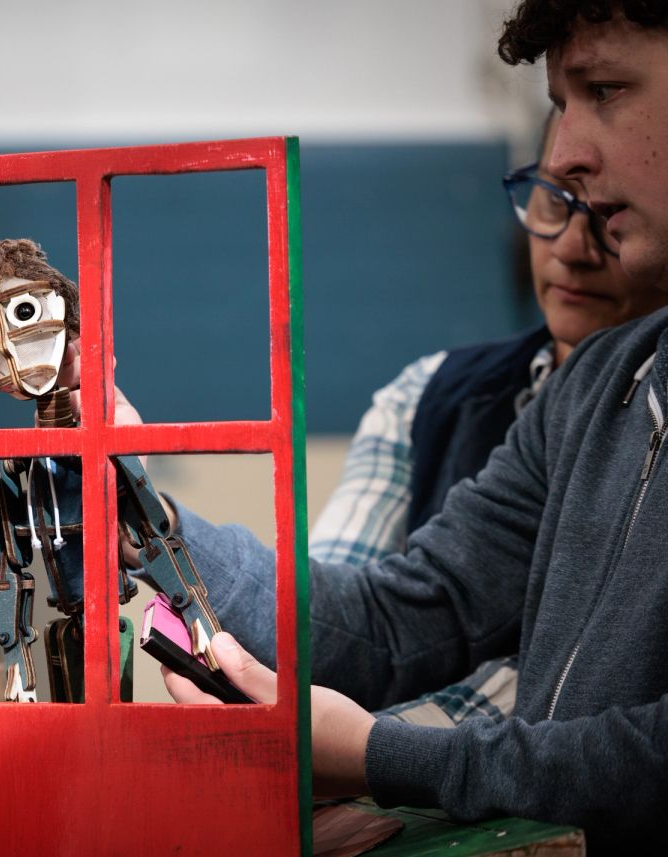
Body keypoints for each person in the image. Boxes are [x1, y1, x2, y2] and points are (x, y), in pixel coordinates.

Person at [163, 3, 668, 852]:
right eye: (559, 103)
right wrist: (149, 519)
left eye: (607, 89)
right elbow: (401, 617)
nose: (567, 157)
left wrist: (380, 756)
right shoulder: (595, 387)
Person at [307, 109, 668, 728]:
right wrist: (170, 528)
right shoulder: (424, 393)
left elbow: (560, 715)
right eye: (555, 204)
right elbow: (360, 625)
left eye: (605, 217)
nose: (574, 251)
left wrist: (367, 755)